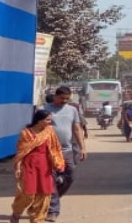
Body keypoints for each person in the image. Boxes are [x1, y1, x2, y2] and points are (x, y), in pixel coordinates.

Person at [11, 110, 66, 223]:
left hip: (44, 167)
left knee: (44, 193)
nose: (50, 122)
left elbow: (55, 148)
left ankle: (37, 219)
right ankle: (16, 213)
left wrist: (58, 163)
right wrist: (17, 167)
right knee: (27, 193)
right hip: (29, 166)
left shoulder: (49, 131)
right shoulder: (25, 133)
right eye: (47, 120)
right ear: (39, 121)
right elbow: (21, 152)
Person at [43, 86, 86, 221]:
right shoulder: (43, 109)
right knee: (50, 180)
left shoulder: (72, 110)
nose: (64, 101)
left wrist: (82, 147)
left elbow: (77, 129)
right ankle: (53, 210)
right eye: (62, 98)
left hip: (67, 151)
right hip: (48, 151)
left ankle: (53, 197)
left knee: (70, 176)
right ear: (55, 96)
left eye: (67, 99)